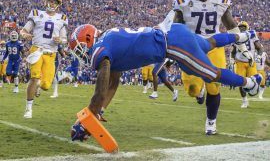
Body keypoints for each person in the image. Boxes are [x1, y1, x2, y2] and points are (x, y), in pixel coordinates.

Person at [69, 23, 262, 141]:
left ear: (88, 39)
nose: (82, 54)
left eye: (80, 49)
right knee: (209, 43)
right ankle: (244, 36)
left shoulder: (100, 47)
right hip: (173, 33)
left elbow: (100, 90)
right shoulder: (108, 38)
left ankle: (250, 83)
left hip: (173, 45)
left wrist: (87, 121)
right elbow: (112, 82)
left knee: (211, 74)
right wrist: (98, 112)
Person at [172, 0, 255, 135]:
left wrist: (243, 48)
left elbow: (231, 25)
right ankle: (198, 92)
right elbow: (175, 27)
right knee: (192, 89)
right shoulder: (182, 0)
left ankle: (211, 122)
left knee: (214, 87)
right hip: (191, 47)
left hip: (213, 45)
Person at [20, 0, 68, 118]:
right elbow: (23, 30)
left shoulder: (61, 18)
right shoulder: (37, 14)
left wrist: (60, 40)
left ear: (58, 5)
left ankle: (38, 86)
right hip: (37, 50)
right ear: (47, 1)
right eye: (51, 1)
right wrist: (25, 35)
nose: (52, 3)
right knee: (34, 77)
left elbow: (64, 39)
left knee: (46, 85)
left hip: (51, 54)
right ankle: (28, 108)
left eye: (55, 2)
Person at [231, 21, 263, 108]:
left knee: (254, 84)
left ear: (247, 27)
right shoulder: (236, 36)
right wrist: (231, 59)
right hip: (240, 62)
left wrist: (259, 56)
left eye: (243, 27)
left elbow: (259, 48)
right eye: (240, 27)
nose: (241, 28)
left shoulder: (252, 35)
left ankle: (256, 82)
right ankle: (244, 101)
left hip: (251, 62)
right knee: (241, 82)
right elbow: (233, 51)